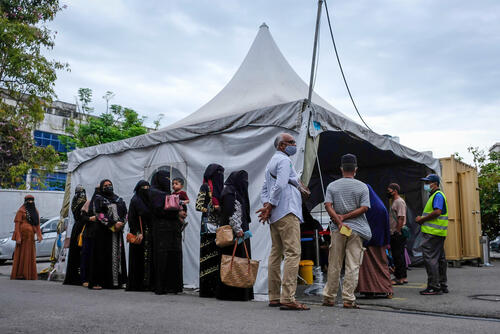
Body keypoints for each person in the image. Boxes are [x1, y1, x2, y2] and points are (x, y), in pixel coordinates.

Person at [257, 133, 309, 311]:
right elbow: (279, 185)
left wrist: (267, 205)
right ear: (281, 146)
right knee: (293, 253)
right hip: (287, 211)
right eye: (291, 142)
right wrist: (270, 205)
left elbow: (264, 189)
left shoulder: (271, 163)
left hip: (276, 215)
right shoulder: (284, 161)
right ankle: (288, 297)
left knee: (276, 253)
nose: (294, 144)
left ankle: (274, 296)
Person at [322, 153, 371, 309]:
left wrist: (339, 220)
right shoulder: (362, 186)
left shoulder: (332, 186)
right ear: (355, 169)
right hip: (356, 230)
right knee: (352, 264)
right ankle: (348, 299)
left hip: (338, 230)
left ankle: (329, 297)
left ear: (341, 168)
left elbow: (328, 206)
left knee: (334, 263)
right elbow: (364, 208)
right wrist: (347, 216)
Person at [216, 170, 254, 301]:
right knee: (234, 260)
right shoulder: (230, 193)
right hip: (234, 233)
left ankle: (239, 291)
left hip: (239, 231)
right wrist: (238, 229)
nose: (245, 183)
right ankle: (233, 292)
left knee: (239, 261)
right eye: (244, 180)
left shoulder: (235, 191)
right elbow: (230, 212)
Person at [88, 179, 127, 290]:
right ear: (101, 187)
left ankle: (117, 282)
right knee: (101, 255)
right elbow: (99, 214)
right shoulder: (98, 199)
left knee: (117, 256)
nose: (108, 187)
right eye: (105, 185)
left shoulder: (118, 199)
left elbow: (125, 212)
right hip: (102, 232)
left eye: (110, 185)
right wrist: (113, 224)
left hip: (117, 233)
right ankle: (99, 282)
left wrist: (122, 223)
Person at [149, 170, 183, 294]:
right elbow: (158, 210)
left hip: (172, 229)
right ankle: (161, 286)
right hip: (161, 229)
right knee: (162, 257)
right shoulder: (154, 193)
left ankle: (173, 286)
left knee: (173, 255)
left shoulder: (167, 193)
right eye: (165, 178)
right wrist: (174, 211)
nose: (168, 181)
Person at [357, 184, 393, 298]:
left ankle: (371, 289)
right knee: (380, 265)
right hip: (380, 241)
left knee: (367, 267)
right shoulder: (379, 206)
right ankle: (383, 289)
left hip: (370, 241)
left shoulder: (370, 208)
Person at [416, 174, 449, 295]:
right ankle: (442, 284)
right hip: (438, 233)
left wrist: (421, 220)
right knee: (440, 259)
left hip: (432, 234)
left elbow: (437, 212)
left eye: (427, 182)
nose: (425, 185)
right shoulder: (435, 195)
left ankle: (434, 286)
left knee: (430, 259)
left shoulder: (437, 195)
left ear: (434, 183)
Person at [195, 164, 224, 298]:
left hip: (219, 229)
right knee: (207, 258)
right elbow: (198, 206)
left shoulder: (221, 188)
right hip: (207, 228)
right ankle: (207, 290)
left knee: (217, 258)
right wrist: (213, 208)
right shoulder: (205, 187)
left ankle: (216, 288)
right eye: (218, 173)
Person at [126, 180, 153, 291]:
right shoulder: (135, 200)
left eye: (148, 187)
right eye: (143, 187)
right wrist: (137, 232)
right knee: (138, 258)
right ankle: (136, 284)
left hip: (149, 233)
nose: (146, 189)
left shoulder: (150, 200)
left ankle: (147, 283)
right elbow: (131, 218)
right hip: (140, 234)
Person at [11, 195, 42, 280]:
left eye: (32, 200)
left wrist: (39, 235)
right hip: (22, 239)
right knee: (22, 255)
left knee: (30, 255)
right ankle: (20, 274)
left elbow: (37, 225)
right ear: (25, 201)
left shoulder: (35, 212)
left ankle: (30, 275)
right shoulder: (21, 211)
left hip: (30, 238)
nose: (31, 202)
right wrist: (18, 237)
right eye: (29, 200)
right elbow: (17, 226)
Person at [63, 185, 87, 285]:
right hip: (82, 227)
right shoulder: (83, 202)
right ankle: (79, 276)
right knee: (80, 251)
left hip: (76, 228)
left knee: (75, 252)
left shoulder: (74, 200)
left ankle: (73, 275)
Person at [387, 183, 408, 285]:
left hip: (397, 233)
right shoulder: (395, 201)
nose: (388, 192)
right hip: (396, 232)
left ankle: (399, 278)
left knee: (397, 255)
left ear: (395, 191)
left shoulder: (399, 202)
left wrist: (397, 231)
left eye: (389, 190)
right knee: (399, 255)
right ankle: (403, 277)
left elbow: (401, 217)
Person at [79, 185, 100, 287]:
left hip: (101, 234)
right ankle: (85, 278)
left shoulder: (106, 202)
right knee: (87, 256)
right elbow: (82, 218)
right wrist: (90, 219)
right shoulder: (89, 203)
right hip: (89, 233)